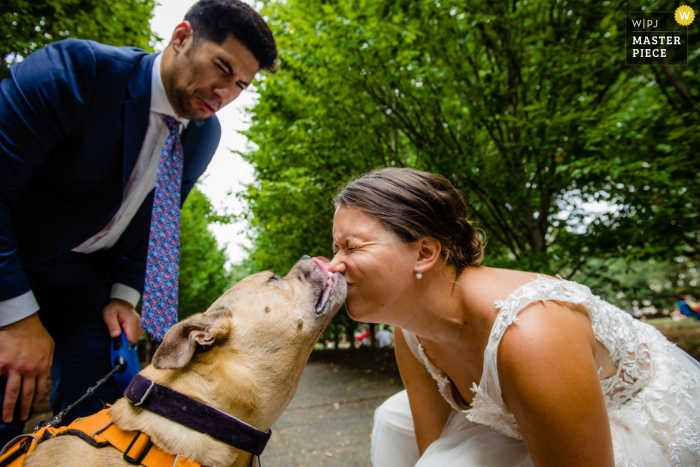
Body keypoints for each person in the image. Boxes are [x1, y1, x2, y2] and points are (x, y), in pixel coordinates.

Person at [0, 0, 277, 445]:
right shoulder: (76, 71)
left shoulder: (204, 135)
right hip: (10, 258)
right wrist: (14, 318)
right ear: (181, 37)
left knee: (98, 413)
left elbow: (158, 221)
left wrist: (125, 296)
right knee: (8, 399)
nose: (224, 92)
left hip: (84, 281)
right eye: (222, 68)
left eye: (240, 84)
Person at [321, 168, 700, 467]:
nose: (334, 266)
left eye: (351, 247)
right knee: (395, 420)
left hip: (631, 414)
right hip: (529, 405)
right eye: (335, 247)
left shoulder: (530, 332)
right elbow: (432, 446)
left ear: (424, 252)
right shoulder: (409, 331)